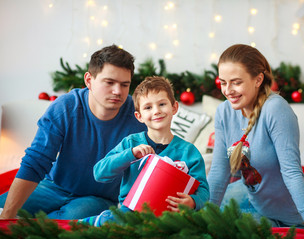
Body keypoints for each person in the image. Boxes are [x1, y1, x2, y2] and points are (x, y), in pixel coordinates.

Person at [0, 45, 147, 219]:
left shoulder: (139, 115)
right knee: (4, 205)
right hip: (53, 186)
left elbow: (154, 164)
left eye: (125, 85)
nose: (118, 91)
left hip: (98, 198)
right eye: (109, 82)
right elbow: (36, 161)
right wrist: (7, 215)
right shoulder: (65, 107)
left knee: (69, 219)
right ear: (89, 80)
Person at [207, 44, 304, 229]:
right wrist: (201, 222)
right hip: (255, 207)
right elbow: (219, 172)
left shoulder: (275, 109)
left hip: (288, 218)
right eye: (223, 82)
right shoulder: (223, 112)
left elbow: (292, 172)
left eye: (236, 82)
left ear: (258, 79)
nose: (228, 90)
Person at [80, 76, 209, 226]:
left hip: (170, 216)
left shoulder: (189, 152)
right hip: (131, 212)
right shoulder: (131, 143)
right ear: (139, 116)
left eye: (162, 104)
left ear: (174, 107)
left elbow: (204, 191)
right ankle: (97, 221)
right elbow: (99, 173)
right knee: (119, 221)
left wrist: (193, 202)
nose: (156, 111)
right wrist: (130, 154)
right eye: (148, 107)